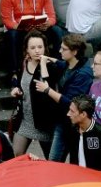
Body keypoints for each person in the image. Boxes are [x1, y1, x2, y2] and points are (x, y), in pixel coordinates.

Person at [39, 34, 93, 163]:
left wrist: (47, 90)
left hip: (73, 123)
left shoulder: (83, 74)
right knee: (57, 161)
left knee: (68, 161)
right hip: (64, 120)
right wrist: (52, 60)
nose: (59, 51)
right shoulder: (70, 64)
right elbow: (63, 65)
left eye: (64, 49)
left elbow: (70, 101)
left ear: (74, 51)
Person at [9, 30, 56, 157]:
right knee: (16, 154)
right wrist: (17, 90)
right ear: (27, 50)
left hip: (44, 122)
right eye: (33, 47)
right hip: (25, 119)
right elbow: (22, 84)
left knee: (52, 159)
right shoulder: (24, 64)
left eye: (40, 47)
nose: (37, 51)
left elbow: (50, 88)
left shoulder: (51, 66)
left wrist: (44, 63)